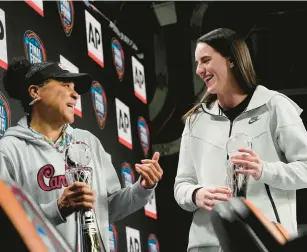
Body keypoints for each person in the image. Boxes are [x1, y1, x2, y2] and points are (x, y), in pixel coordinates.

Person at [0, 57, 163, 252]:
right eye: (65, 85)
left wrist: (142, 188)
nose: (75, 94)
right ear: (35, 91)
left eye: (75, 88)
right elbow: (7, 225)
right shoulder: (9, 149)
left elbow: (107, 207)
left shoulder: (88, 141)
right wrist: (58, 208)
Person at [174, 27, 307, 252]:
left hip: (266, 242)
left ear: (231, 60)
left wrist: (264, 170)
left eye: (205, 60)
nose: (199, 70)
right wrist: (196, 194)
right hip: (205, 246)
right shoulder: (195, 121)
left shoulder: (275, 106)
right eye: (197, 63)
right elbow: (181, 185)